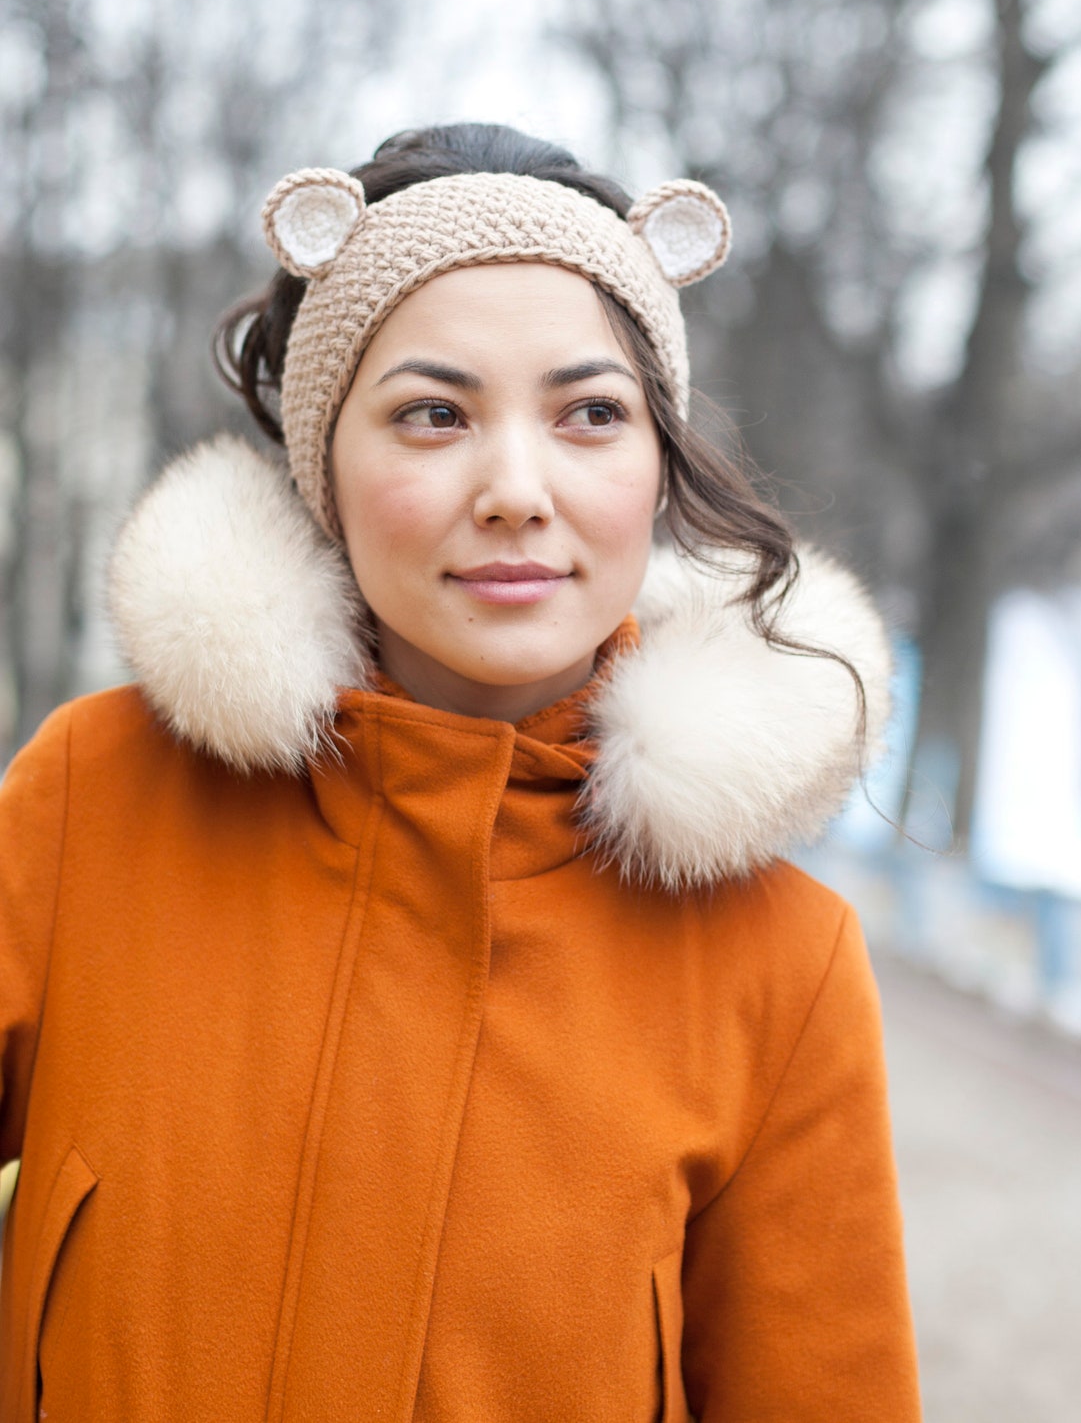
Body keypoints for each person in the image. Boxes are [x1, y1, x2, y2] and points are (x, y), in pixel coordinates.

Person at [0, 123, 921, 1421]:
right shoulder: (92, 802)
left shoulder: (779, 964)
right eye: (433, 414)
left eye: (591, 414)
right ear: (323, 464)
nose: (515, 490)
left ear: (657, 462)